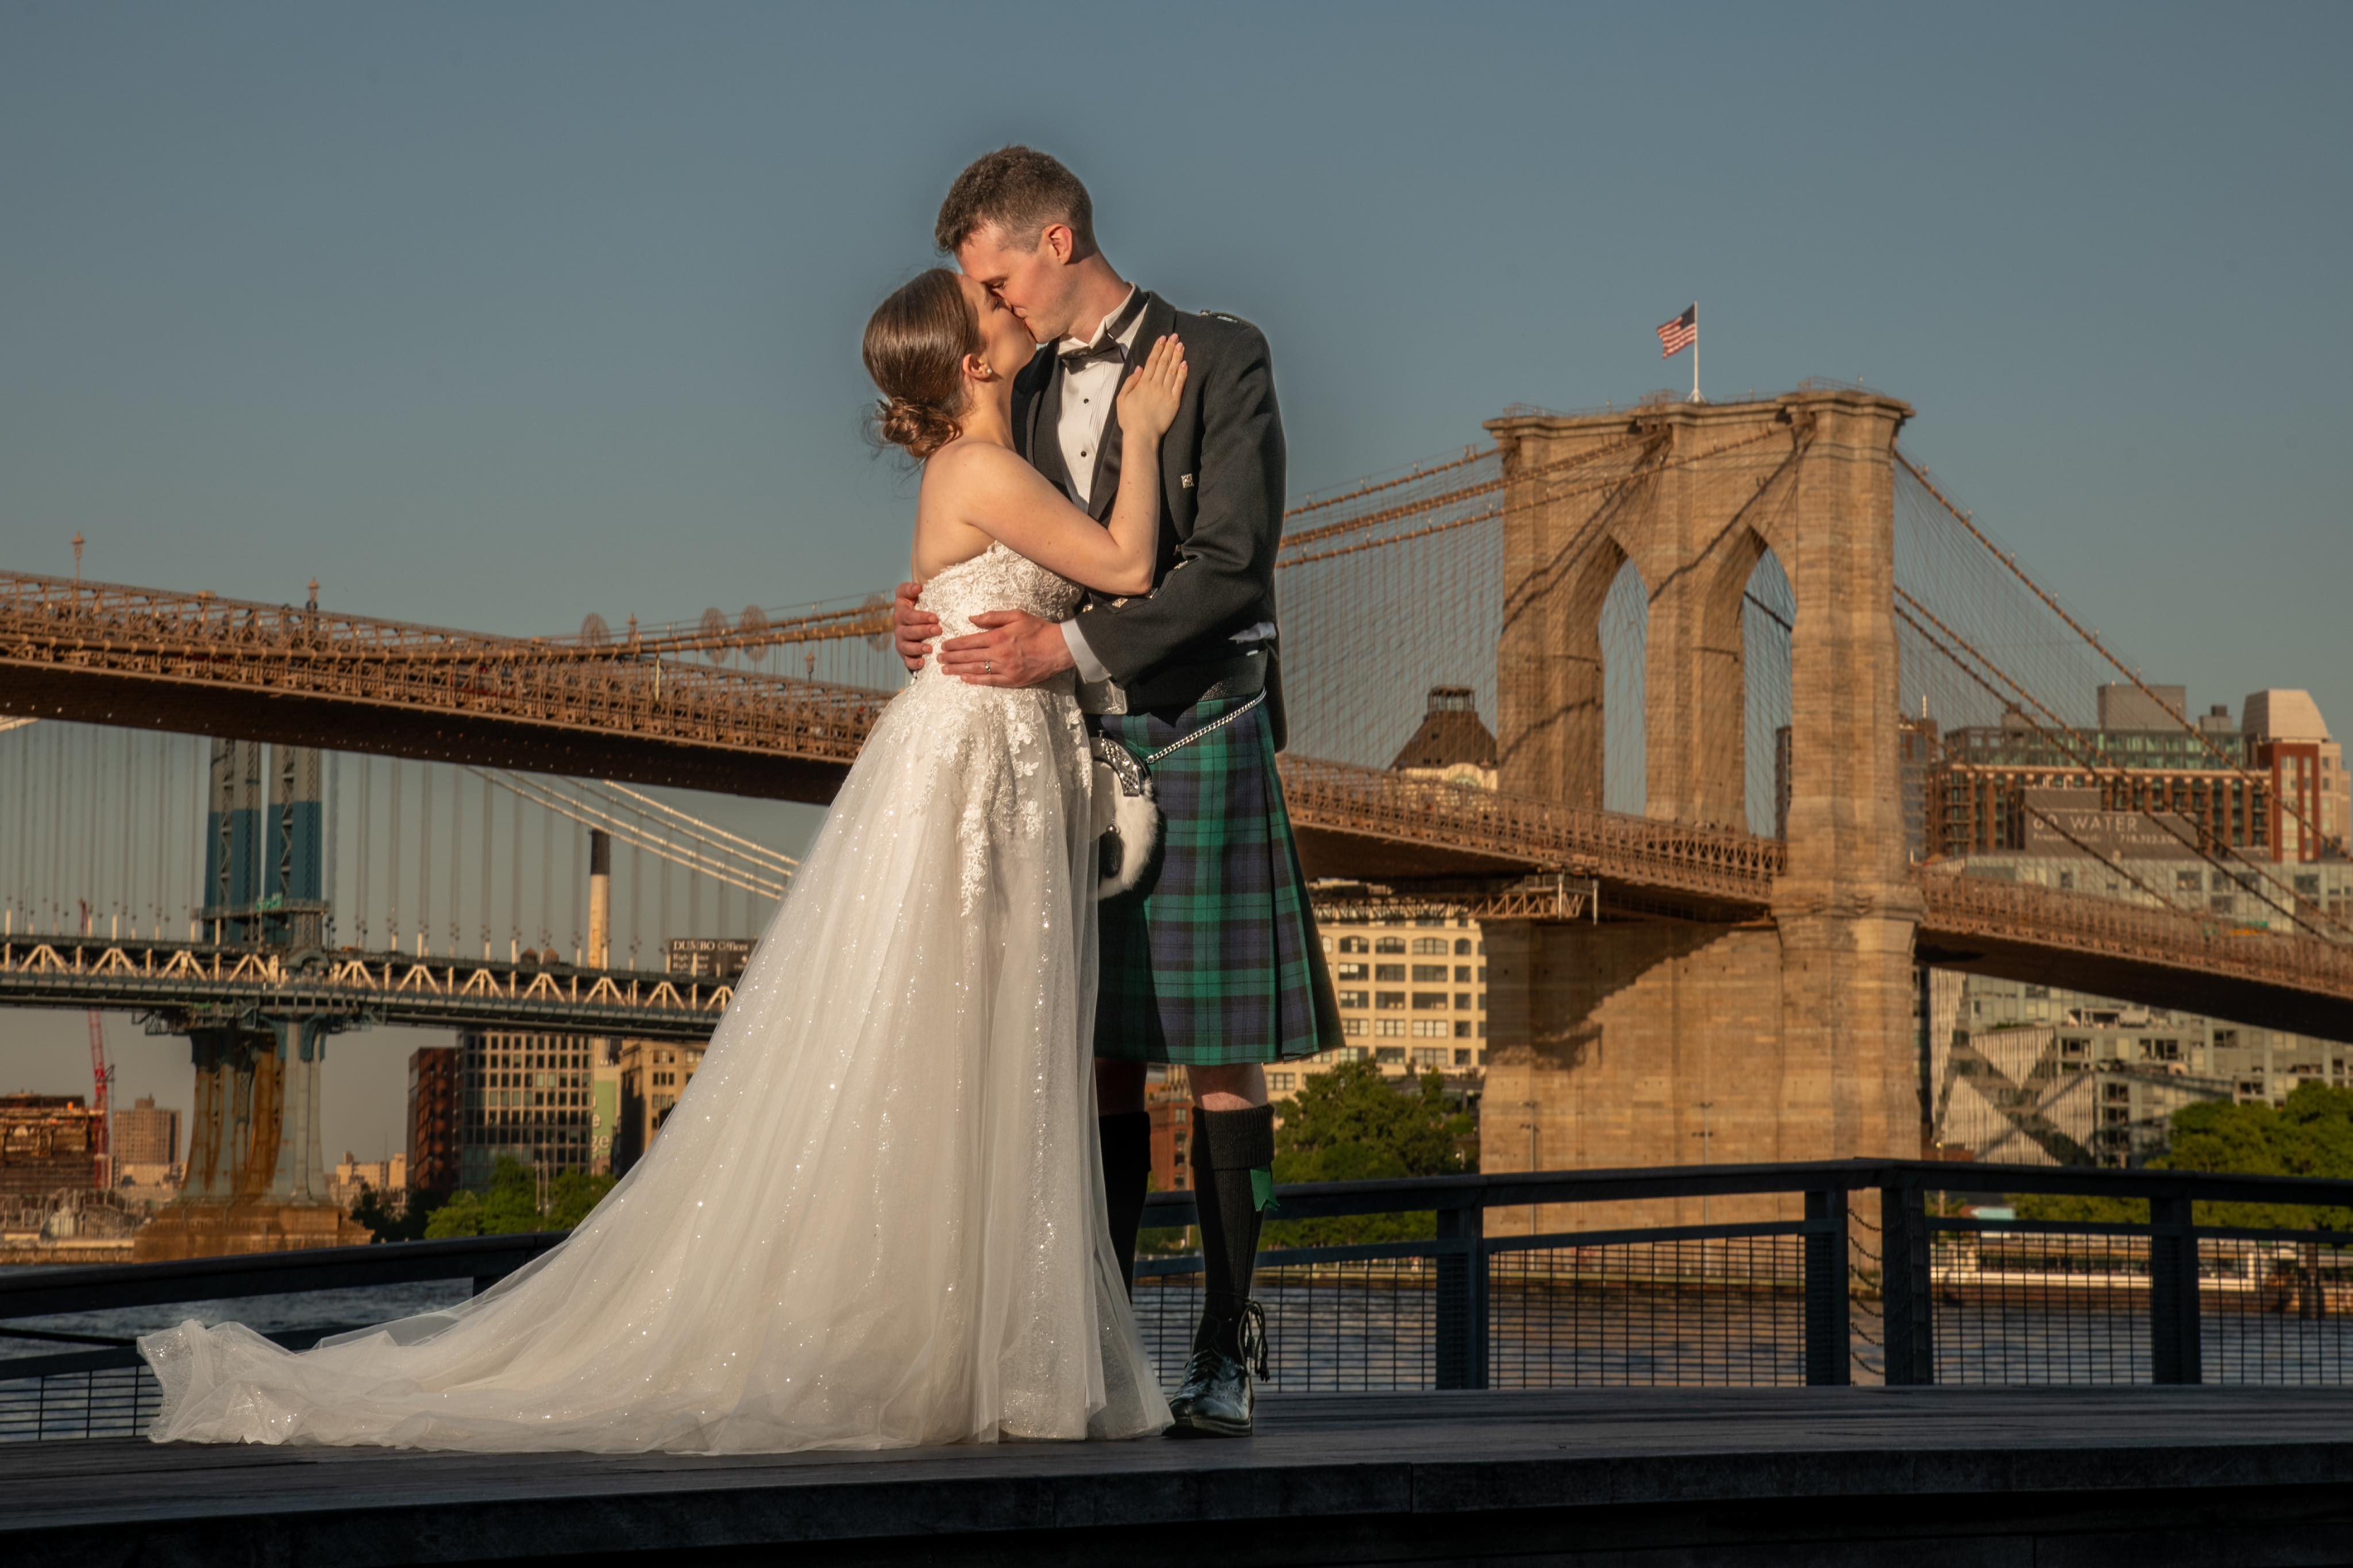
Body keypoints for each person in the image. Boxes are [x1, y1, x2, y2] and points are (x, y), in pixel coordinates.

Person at [132, 269, 1190, 1454]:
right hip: (976, 763)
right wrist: (1143, 438)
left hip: (983, 751)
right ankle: (973, 1359)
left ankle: (956, 1349)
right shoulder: (986, 469)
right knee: (970, 1040)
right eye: (988, 304)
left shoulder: (984, 464)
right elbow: (1129, 570)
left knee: (959, 1044)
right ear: (971, 364)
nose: (1004, 303)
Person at [896, 147, 1344, 1438]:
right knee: (1085, 1057)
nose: (991, 307)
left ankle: (1222, 1344)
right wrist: (933, 607)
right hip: (1054, 755)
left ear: (1054, 237)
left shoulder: (1219, 353)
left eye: (992, 277)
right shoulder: (1018, 386)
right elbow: (1002, 546)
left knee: (1214, 1061)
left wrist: (1068, 647)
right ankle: (1089, 1345)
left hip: (1195, 727)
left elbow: (1230, 566)